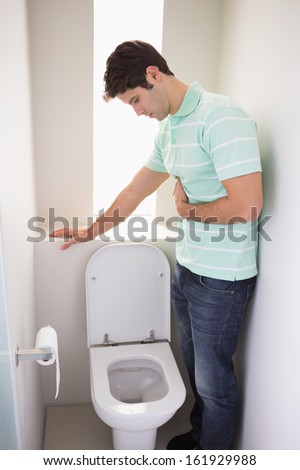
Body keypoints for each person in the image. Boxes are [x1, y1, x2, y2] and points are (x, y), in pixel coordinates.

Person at [51, 40, 263, 449]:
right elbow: (134, 191)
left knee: (214, 383)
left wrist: (188, 212)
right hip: (188, 270)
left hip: (222, 279)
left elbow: (248, 206)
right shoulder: (170, 130)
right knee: (195, 370)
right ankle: (201, 437)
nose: (138, 112)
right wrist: (89, 232)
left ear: (153, 74)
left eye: (135, 100)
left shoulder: (222, 117)